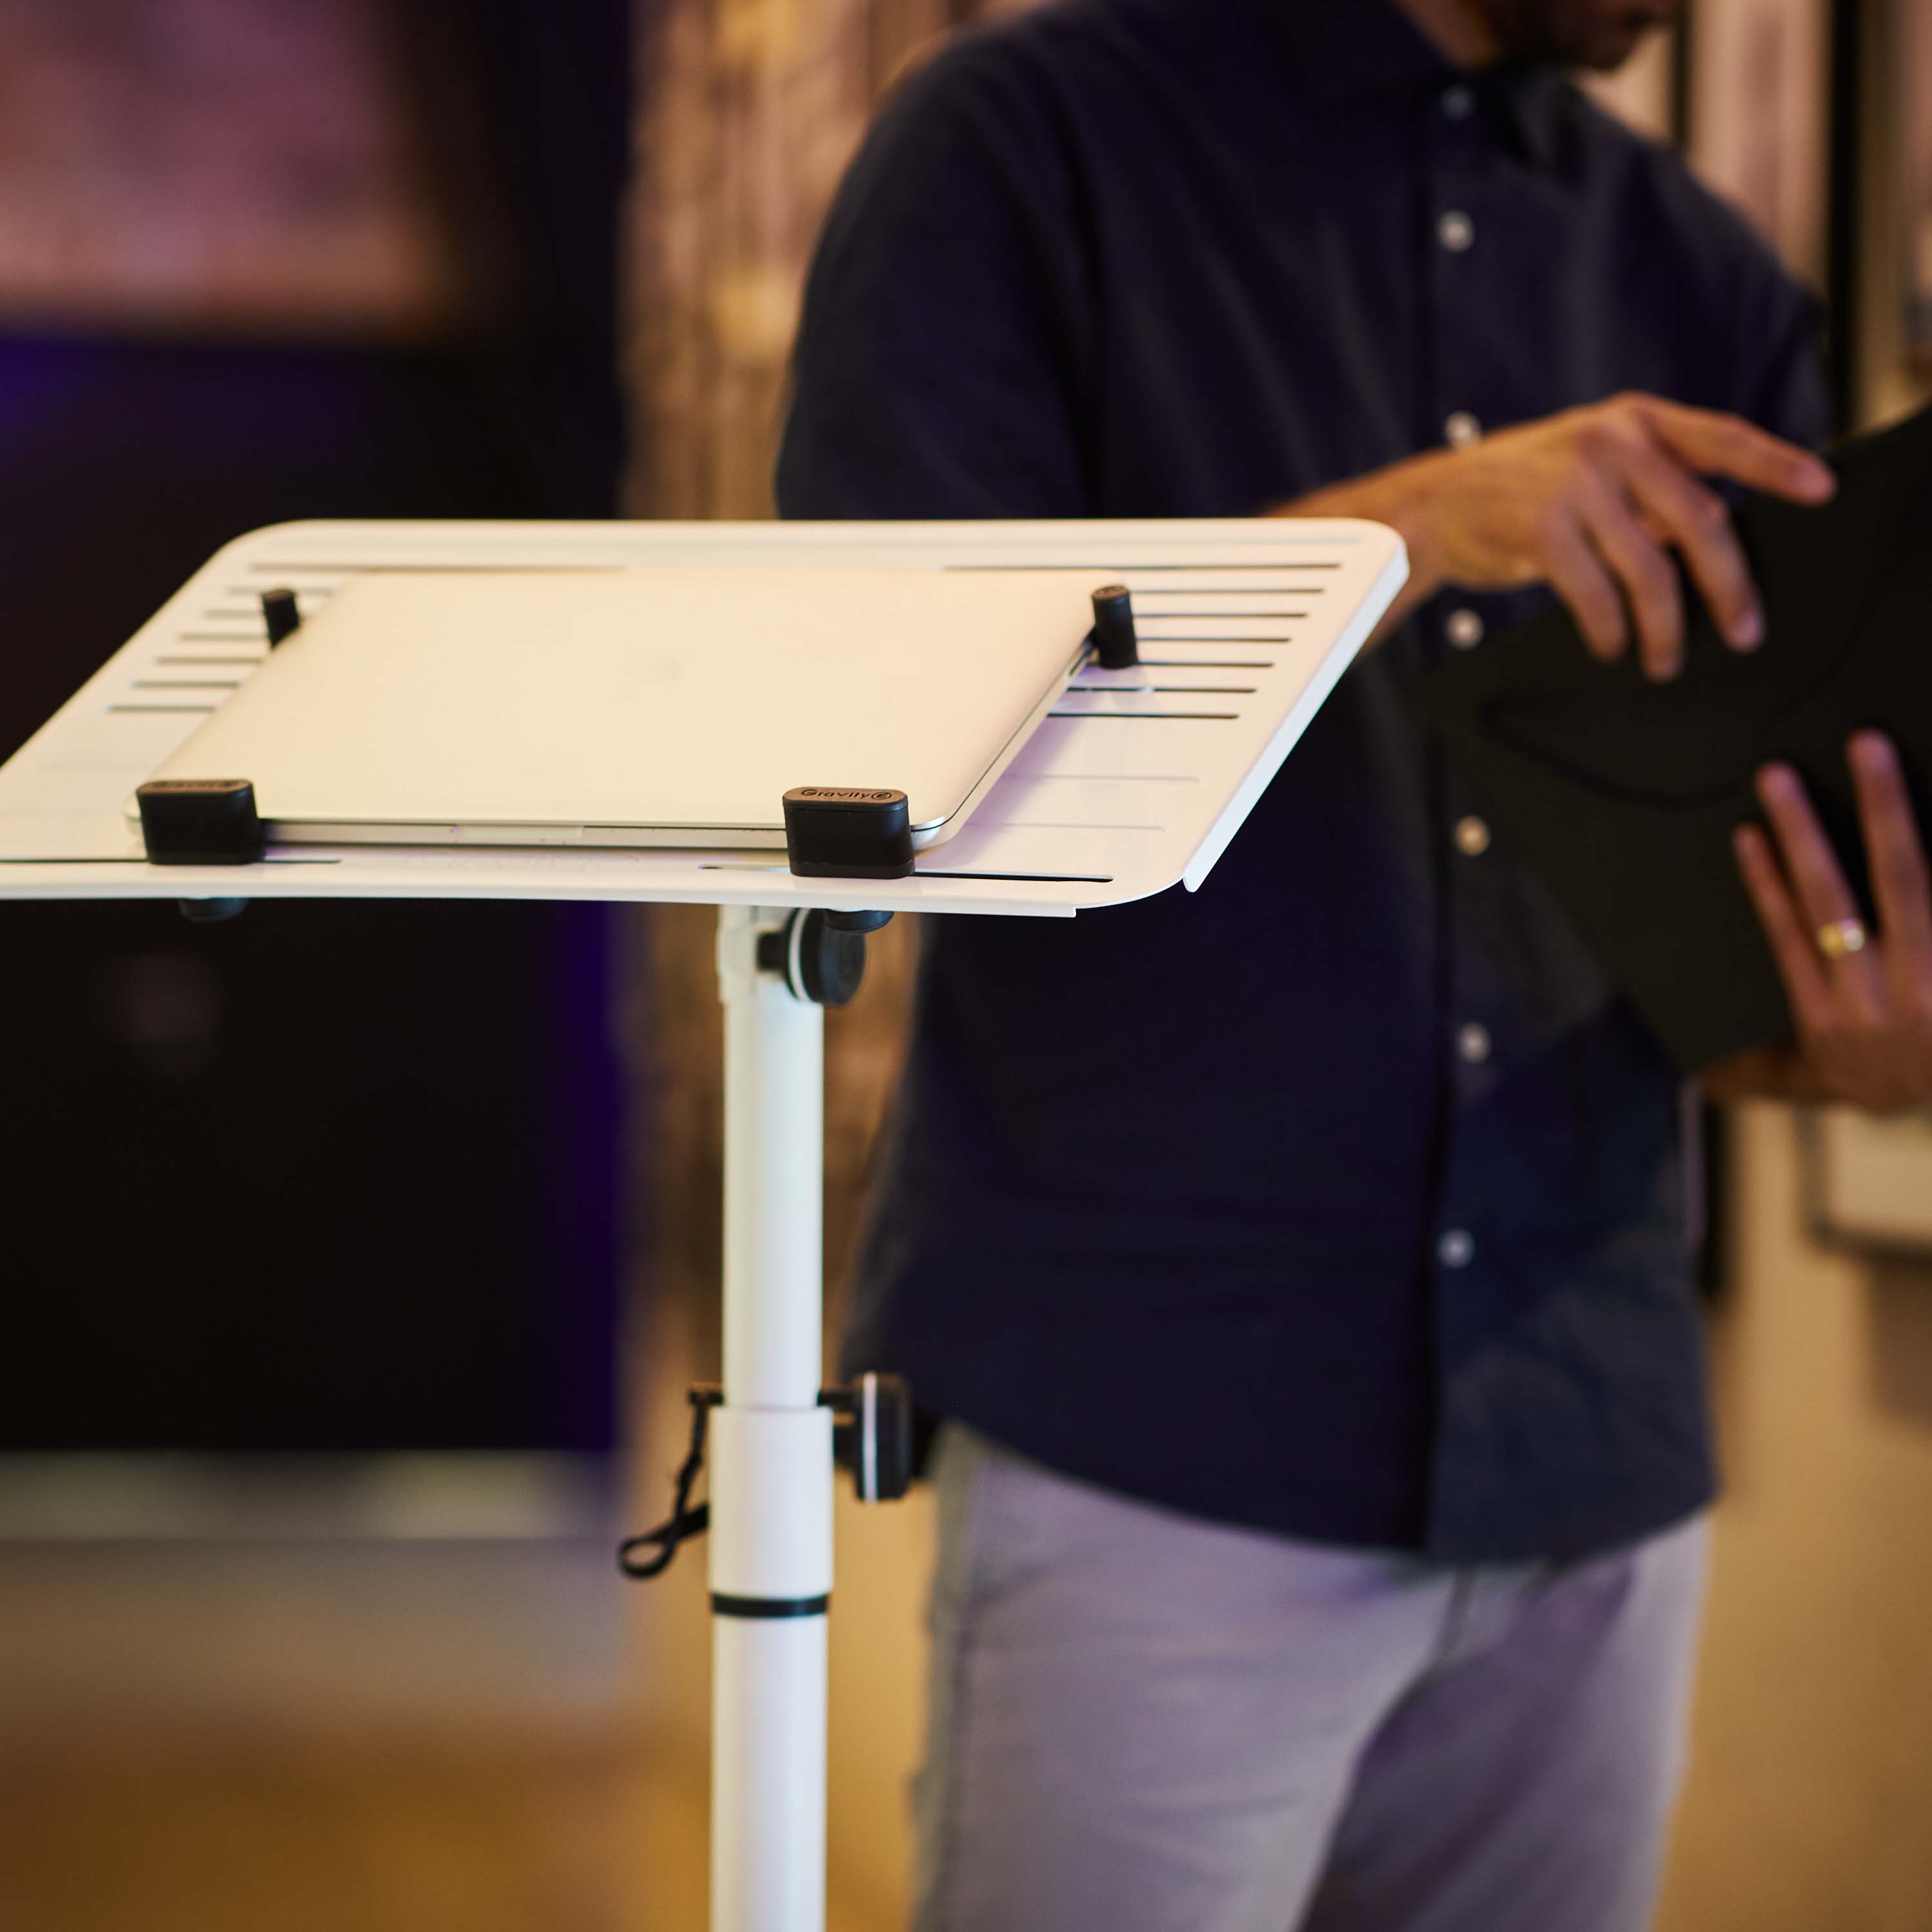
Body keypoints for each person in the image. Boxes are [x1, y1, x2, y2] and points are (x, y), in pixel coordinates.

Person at [775, 3, 1932, 1927]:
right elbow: (875, 738)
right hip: (1151, 1455)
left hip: (1593, 1484)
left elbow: (1709, 979)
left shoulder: (1707, 276)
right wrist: (1397, 533)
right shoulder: (1023, 143)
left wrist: (1854, 1047)